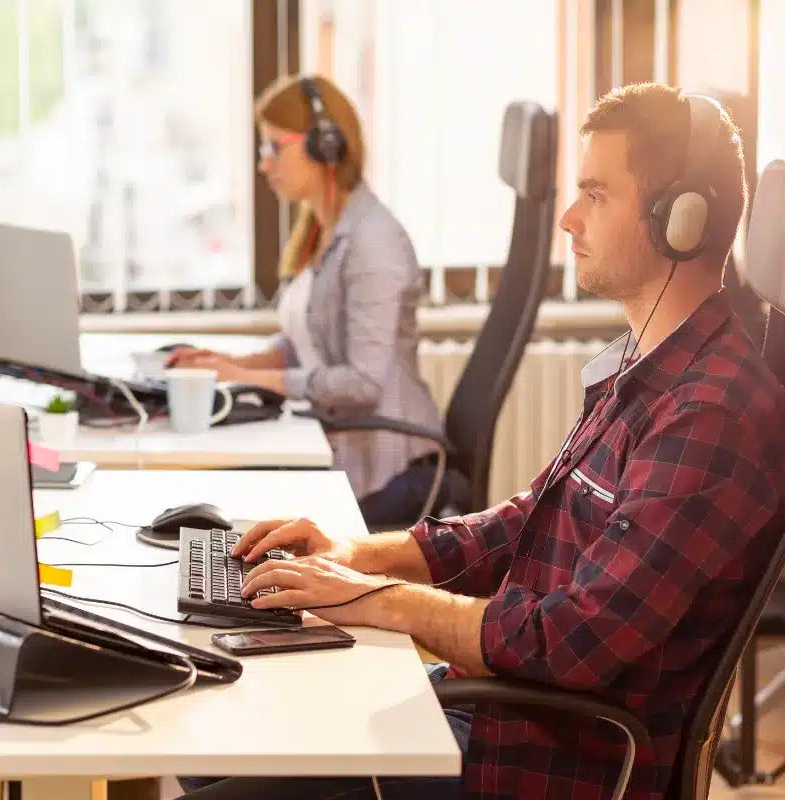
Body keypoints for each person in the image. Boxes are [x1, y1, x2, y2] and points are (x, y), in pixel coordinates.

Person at [177, 83, 785, 800]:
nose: (567, 219)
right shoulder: (647, 365)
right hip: (500, 716)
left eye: (595, 195)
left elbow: (571, 640)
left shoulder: (711, 414)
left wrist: (377, 598)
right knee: (219, 730)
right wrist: (354, 553)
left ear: (680, 220)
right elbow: (524, 523)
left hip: (546, 765)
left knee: (229, 762)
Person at [167, 74, 445, 527]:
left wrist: (245, 376)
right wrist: (229, 362)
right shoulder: (323, 229)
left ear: (324, 146)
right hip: (342, 450)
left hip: (388, 470)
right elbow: (304, 340)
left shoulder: (373, 241)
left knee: (231, 520)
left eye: (275, 147)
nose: (264, 164)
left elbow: (362, 384)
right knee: (216, 508)